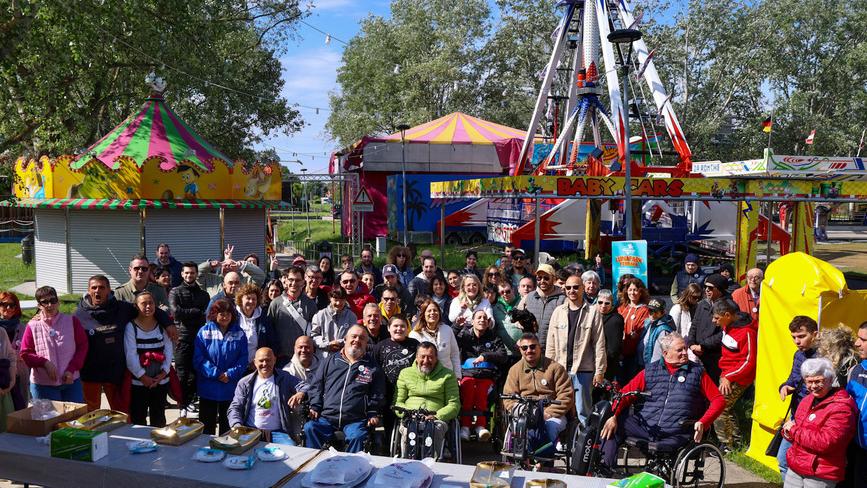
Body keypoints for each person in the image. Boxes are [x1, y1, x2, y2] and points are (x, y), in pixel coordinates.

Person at [600, 333, 725, 469]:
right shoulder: (650, 370)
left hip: (676, 432)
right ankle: (606, 472)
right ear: (665, 353)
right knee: (611, 426)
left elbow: (719, 400)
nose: (685, 353)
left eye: (685, 348)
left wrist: (703, 421)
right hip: (646, 426)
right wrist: (614, 415)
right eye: (679, 350)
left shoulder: (697, 373)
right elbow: (625, 395)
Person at [75, 274, 169, 412]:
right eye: (93, 288)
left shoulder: (123, 308)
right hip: (90, 373)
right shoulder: (78, 315)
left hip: (116, 372)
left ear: (109, 290)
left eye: (101, 287)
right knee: (90, 415)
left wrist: (168, 323)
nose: (97, 291)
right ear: (88, 290)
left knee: (122, 413)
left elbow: (146, 310)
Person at [304, 325, 385, 452]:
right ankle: (314, 466)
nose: (357, 340)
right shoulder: (330, 361)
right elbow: (316, 386)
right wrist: (315, 406)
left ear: (366, 342)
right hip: (327, 417)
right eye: (354, 336)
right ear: (345, 339)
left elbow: (377, 393)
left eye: (362, 338)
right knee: (310, 428)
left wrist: (372, 412)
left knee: (358, 436)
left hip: (355, 419)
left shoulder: (372, 367)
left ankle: (351, 469)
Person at [783, 358, 857, 488]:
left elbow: (826, 442)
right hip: (797, 464)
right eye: (809, 382)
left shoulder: (842, 407)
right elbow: (798, 429)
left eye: (818, 381)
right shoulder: (807, 400)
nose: (813, 386)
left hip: (821, 471)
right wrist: (787, 432)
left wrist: (794, 430)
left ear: (830, 379)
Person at [546, 274, 606, 425]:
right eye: (568, 288)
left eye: (575, 287)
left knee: (582, 412)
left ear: (583, 289)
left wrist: (599, 371)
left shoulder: (593, 312)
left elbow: (599, 344)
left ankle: (583, 444)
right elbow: (551, 344)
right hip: (560, 370)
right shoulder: (558, 312)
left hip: (583, 371)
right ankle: (561, 442)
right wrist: (548, 370)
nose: (572, 290)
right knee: (558, 409)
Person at [503, 333, 574, 455]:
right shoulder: (515, 370)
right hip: (525, 413)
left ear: (539, 347)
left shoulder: (555, 368)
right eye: (524, 348)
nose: (529, 350)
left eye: (532, 347)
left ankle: (543, 461)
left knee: (549, 428)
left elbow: (566, 396)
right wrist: (523, 412)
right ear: (520, 350)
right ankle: (521, 460)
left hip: (552, 414)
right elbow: (508, 398)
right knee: (518, 427)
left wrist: (548, 413)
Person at [21, 286, 88, 402]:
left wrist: (71, 369)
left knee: (73, 419)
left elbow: (82, 346)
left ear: (58, 302)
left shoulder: (72, 321)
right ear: (39, 305)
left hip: (71, 382)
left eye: (53, 300)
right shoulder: (32, 325)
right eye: (44, 302)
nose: (49, 305)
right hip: (43, 385)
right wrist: (44, 363)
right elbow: (25, 353)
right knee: (49, 420)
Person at [394, 341, 460, 459]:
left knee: (436, 429)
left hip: (435, 418)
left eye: (430, 357)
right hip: (411, 416)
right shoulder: (405, 373)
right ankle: (406, 461)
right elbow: (398, 402)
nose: (426, 361)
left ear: (436, 358)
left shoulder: (448, 375)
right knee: (406, 429)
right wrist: (407, 413)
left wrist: (437, 416)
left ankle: (433, 462)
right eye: (422, 357)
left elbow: (454, 404)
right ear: (416, 357)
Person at [194, 298, 249, 435]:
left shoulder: (240, 333)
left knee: (228, 429)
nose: (225, 317)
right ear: (214, 314)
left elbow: (243, 359)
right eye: (221, 313)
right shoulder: (204, 332)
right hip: (208, 387)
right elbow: (198, 358)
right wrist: (216, 373)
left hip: (230, 387)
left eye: (228, 313)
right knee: (206, 429)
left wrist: (229, 374)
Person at [228, 347, 301, 443]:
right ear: (255, 362)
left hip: (278, 433)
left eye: (268, 360)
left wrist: (301, 393)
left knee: (291, 451)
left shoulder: (284, 377)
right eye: (261, 361)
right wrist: (237, 426)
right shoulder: (245, 383)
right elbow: (235, 407)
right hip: (251, 431)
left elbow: (304, 386)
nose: (265, 364)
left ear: (274, 360)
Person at [712, 298, 757, 451]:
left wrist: (729, 377)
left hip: (738, 378)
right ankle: (736, 441)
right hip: (727, 375)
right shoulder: (728, 326)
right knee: (727, 408)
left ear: (727, 315)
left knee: (719, 407)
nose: (714, 321)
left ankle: (726, 445)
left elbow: (749, 362)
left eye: (717, 318)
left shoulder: (748, 332)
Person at [457, 310, 509, 441]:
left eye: (485, 318)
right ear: (472, 321)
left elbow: (503, 356)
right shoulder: (464, 335)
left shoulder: (494, 337)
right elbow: (451, 342)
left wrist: (485, 356)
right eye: (479, 317)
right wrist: (457, 326)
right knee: (467, 387)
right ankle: (465, 427)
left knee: (482, 389)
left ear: (489, 322)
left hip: (487, 376)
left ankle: (481, 425)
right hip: (467, 375)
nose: (482, 320)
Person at [778, 316, 820, 479]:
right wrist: (785, 387)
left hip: (814, 420)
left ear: (815, 334)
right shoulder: (798, 355)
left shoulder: (826, 357)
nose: (797, 341)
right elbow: (792, 379)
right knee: (783, 459)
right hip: (796, 416)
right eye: (793, 337)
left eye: (801, 336)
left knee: (806, 466)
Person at [169, 262, 211, 415]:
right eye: (186, 273)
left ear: (196, 274)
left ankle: (191, 401)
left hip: (200, 339)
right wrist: (195, 311)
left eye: (192, 273)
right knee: (181, 372)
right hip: (182, 339)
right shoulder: (175, 292)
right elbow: (176, 313)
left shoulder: (204, 294)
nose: (189, 275)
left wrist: (192, 313)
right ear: (182, 274)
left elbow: (206, 315)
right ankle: (182, 404)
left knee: (196, 373)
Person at [124, 292, 171, 427]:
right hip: (139, 383)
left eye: (151, 303)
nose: (148, 306)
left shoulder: (162, 325)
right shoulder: (131, 327)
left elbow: (168, 350)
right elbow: (130, 355)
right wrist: (142, 377)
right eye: (143, 303)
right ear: (136, 306)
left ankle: (161, 445)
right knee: (138, 418)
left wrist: (163, 373)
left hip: (160, 381)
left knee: (159, 418)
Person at [268, 266, 318, 367]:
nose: (294, 283)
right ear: (285, 281)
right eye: (291, 280)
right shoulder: (275, 303)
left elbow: (315, 330)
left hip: (302, 356)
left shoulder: (310, 304)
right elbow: (269, 331)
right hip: (280, 357)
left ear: (303, 282)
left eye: (297, 280)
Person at [687, 273, 728, 383]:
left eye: (710, 288)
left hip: (715, 356)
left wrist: (703, 346)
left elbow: (724, 333)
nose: (706, 290)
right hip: (696, 353)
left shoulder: (728, 306)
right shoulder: (702, 304)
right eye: (705, 287)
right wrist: (691, 344)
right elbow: (694, 325)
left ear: (719, 289)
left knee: (712, 385)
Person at [517, 263, 565, 352]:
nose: (542, 281)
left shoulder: (563, 299)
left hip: (553, 350)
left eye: (546, 278)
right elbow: (516, 319)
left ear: (554, 279)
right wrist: (523, 324)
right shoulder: (529, 297)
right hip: (530, 350)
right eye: (539, 278)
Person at [410, 299, 461, 379]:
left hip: (447, 376)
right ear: (423, 314)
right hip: (426, 378)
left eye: (435, 310)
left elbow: (454, 354)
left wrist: (457, 375)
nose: (432, 313)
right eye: (429, 311)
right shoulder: (415, 334)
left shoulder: (447, 330)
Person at [844, 321, 867, 487]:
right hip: (852, 446)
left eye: (864, 340)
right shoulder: (856, 370)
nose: (857, 343)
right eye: (858, 338)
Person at [198, 244, 266, 296]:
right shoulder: (212, 280)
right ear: (220, 267)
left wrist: (241, 265)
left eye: (231, 265)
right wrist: (210, 265)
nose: (228, 267)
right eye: (225, 265)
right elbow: (197, 273)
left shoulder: (245, 281)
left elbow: (260, 276)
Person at [617, 277, 651, 381]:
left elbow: (642, 328)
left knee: (631, 381)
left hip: (634, 354)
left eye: (635, 290)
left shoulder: (644, 310)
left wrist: (636, 334)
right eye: (630, 290)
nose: (633, 293)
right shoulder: (622, 308)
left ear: (641, 292)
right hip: (619, 352)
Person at [235, 284, 277, 365]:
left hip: (256, 366)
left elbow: (271, 342)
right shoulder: (233, 317)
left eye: (254, 299)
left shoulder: (264, 318)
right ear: (241, 299)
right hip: (235, 365)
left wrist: (258, 361)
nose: (251, 301)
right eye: (248, 298)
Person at [310, 288, 358, 358]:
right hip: (323, 357)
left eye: (342, 300)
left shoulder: (351, 317)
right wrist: (327, 345)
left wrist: (340, 342)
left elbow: (353, 336)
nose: (338, 303)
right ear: (330, 298)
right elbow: (314, 336)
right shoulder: (319, 315)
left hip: (344, 357)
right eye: (335, 299)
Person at [0, 292, 27, 410]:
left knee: (20, 409)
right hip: (3, 377)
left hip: (20, 374)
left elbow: (30, 350)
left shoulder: (23, 328)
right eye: (4, 305)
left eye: (12, 305)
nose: (8, 308)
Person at [637, 298, 676, 368]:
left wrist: (651, 370)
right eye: (650, 311)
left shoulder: (663, 330)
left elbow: (658, 357)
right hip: (641, 365)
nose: (652, 314)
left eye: (656, 311)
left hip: (651, 368)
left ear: (663, 313)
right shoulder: (649, 323)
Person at [595, 289, 623, 382]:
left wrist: (601, 367)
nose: (603, 306)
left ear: (612, 304)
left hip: (607, 365)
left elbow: (613, 349)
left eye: (607, 303)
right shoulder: (593, 315)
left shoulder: (616, 320)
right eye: (600, 302)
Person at [670, 283, 702, 362]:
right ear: (688, 295)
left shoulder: (698, 308)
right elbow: (672, 331)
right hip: (681, 347)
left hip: (693, 346)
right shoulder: (677, 308)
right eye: (694, 297)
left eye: (699, 297)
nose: (697, 299)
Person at [493, 281, 522, 358]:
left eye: (508, 291)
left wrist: (523, 339)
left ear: (513, 289)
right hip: (504, 353)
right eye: (502, 292)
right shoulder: (495, 308)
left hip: (522, 350)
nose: (505, 294)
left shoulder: (522, 303)